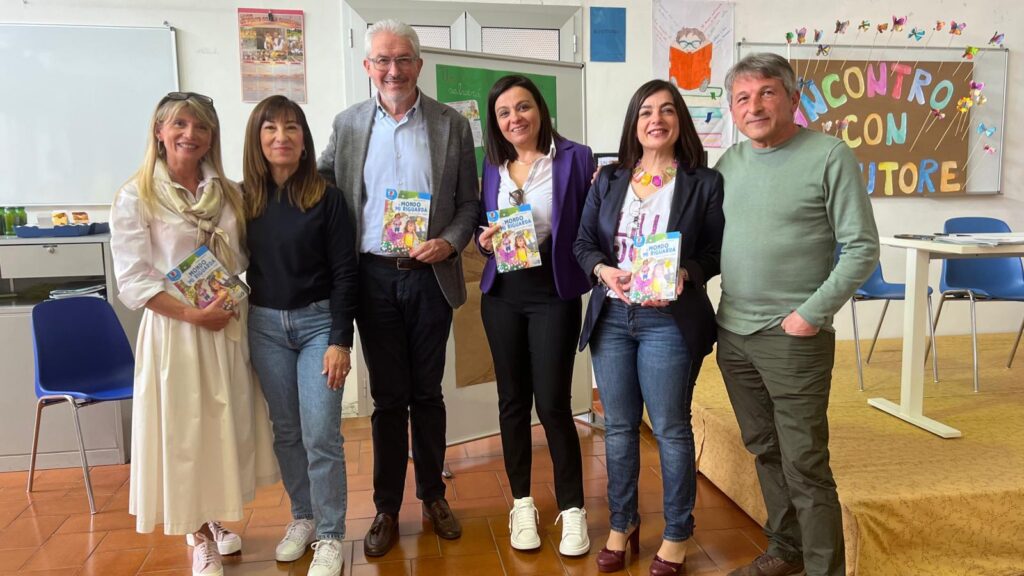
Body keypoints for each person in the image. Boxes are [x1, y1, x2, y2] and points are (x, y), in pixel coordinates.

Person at [317, 19, 479, 558]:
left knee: (427, 394)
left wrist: (450, 243)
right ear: (368, 67)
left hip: (430, 277)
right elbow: (318, 187)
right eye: (383, 60)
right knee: (388, 400)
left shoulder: (452, 124)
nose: (393, 70)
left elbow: (469, 203)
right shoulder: (347, 125)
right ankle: (387, 506)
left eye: (403, 58)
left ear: (418, 64)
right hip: (372, 278)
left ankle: (433, 495)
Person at [714, 53, 879, 576]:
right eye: (742, 98)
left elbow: (861, 247)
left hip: (793, 338)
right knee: (764, 449)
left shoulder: (829, 155)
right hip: (733, 332)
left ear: (792, 98)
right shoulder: (729, 163)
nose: (755, 106)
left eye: (767, 92)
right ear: (732, 110)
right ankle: (787, 551)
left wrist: (811, 313)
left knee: (805, 462)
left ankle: (825, 569)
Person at [109, 91, 279, 576]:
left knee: (220, 427)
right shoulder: (137, 195)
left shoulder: (229, 193)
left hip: (223, 323)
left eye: (201, 126)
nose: (191, 134)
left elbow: (243, 257)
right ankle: (198, 533)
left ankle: (213, 516)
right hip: (177, 332)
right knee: (184, 431)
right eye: (180, 124)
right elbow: (134, 281)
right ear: (159, 131)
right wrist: (191, 315)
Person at [574, 79, 724, 576]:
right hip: (613, 317)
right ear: (634, 124)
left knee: (670, 428)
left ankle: (677, 532)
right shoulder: (609, 179)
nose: (655, 120)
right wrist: (603, 270)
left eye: (666, 110)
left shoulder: (703, 182)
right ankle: (623, 524)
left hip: (668, 320)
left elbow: (713, 252)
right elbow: (582, 244)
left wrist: (686, 274)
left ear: (679, 120)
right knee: (618, 427)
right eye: (645, 112)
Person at [475, 74, 595, 556]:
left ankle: (573, 508)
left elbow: (593, 220)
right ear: (496, 122)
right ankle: (522, 503)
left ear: (540, 109)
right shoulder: (492, 164)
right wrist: (484, 242)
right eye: (504, 112)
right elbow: (483, 225)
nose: (515, 119)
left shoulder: (577, 158)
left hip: (553, 291)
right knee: (511, 401)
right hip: (503, 291)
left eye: (522, 107)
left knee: (552, 403)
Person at [242, 95, 357, 576]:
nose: (281, 137)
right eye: (270, 128)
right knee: (286, 431)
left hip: (318, 326)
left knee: (321, 433)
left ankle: (330, 534)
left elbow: (346, 272)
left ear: (305, 140)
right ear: (257, 139)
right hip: (265, 327)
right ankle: (303, 517)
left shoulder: (327, 198)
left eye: (292, 128)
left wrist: (340, 340)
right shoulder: (243, 199)